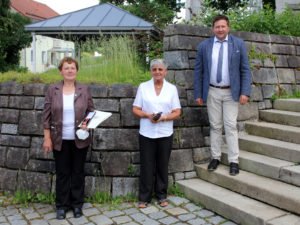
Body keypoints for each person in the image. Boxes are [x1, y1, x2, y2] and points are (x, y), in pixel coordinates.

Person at [194, 15, 252, 176]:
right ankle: (215, 157)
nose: (220, 29)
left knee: (231, 126)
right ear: (213, 29)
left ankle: (234, 161)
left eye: (223, 26)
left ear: (228, 27)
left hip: (231, 92)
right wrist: (198, 93)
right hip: (212, 91)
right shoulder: (204, 46)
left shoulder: (238, 44)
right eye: (217, 27)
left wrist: (245, 92)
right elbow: (198, 71)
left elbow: (245, 70)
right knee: (215, 126)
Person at [43, 57, 95, 219]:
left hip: (80, 138)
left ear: (77, 71)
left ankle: (77, 204)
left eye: (72, 68)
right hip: (59, 139)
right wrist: (47, 138)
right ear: (61, 71)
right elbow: (46, 116)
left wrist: (87, 123)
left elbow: (91, 112)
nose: (70, 70)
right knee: (63, 173)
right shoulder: (53, 90)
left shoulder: (84, 89)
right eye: (66, 68)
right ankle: (61, 205)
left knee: (78, 172)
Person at [132, 59, 181, 208]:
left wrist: (164, 117)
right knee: (146, 165)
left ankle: (161, 195)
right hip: (147, 132)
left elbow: (177, 112)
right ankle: (144, 198)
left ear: (165, 72)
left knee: (162, 165)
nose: (157, 72)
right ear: (151, 72)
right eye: (154, 69)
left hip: (165, 132)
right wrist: (147, 115)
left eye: (160, 69)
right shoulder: (143, 87)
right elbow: (135, 109)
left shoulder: (172, 89)